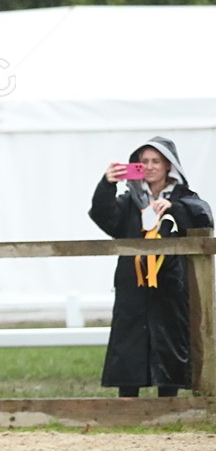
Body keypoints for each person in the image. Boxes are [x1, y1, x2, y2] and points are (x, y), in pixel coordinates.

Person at [89, 136, 212, 397]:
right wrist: (107, 184)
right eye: (144, 161)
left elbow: (204, 217)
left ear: (169, 165)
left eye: (156, 161)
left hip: (171, 283)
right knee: (129, 341)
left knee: (170, 339)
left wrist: (174, 208)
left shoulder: (184, 198)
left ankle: (169, 403)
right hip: (133, 282)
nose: (150, 166)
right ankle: (127, 403)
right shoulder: (129, 201)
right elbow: (103, 215)